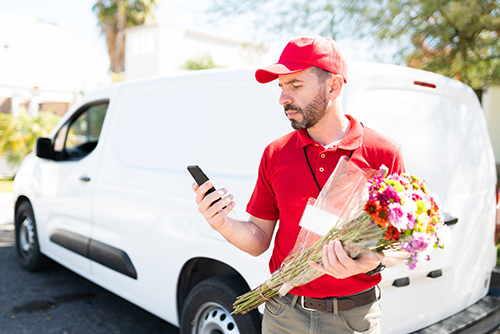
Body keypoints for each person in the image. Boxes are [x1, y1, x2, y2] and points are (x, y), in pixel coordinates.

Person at [192, 36, 405, 334]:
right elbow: (258, 241)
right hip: (284, 315)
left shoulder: (383, 153)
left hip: (353, 319)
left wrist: (368, 262)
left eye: (295, 85)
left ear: (334, 86)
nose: (282, 98)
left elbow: (401, 244)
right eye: (281, 87)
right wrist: (222, 223)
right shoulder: (275, 153)